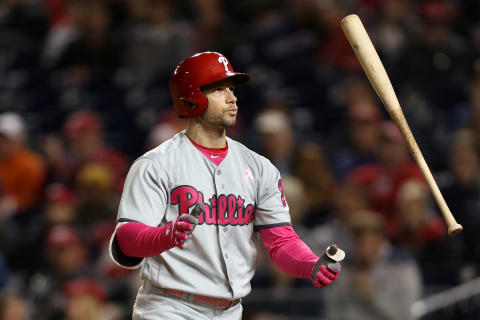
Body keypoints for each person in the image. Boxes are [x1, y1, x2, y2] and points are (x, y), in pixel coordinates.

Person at [108, 52, 342, 319]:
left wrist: (311, 265)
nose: (233, 97)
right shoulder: (156, 164)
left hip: (231, 311)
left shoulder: (259, 167)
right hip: (169, 307)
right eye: (219, 89)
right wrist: (166, 236)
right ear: (192, 97)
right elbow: (127, 240)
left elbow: (282, 241)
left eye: (231, 89)